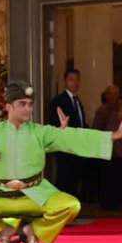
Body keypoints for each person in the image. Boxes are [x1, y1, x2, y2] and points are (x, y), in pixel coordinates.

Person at [0, 80, 122, 243]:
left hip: (32, 195)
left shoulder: (39, 132)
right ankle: (3, 230)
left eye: (30, 104)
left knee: (71, 206)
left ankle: (33, 230)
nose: (28, 109)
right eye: (22, 104)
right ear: (9, 107)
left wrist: (113, 136)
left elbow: (72, 137)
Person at [47, 68, 92, 200]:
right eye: (71, 80)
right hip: (65, 149)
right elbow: (55, 125)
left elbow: (80, 124)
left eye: (77, 80)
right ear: (65, 81)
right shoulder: (59, 101)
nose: (75, 83)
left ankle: (71, 206)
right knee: (64, 180)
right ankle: (61, 206)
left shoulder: (77, 101)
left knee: (74, 181)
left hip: (77, 149)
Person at [92, 85, 122, 210]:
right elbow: (96, 130)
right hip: (107, 150)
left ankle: (120, 203)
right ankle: (107, 204)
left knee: (120, 178)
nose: (113, 97)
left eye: (115, 94)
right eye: (111, 94)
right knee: (107, 179)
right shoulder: (101, 111)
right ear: (106, 95)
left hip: (121, 151)